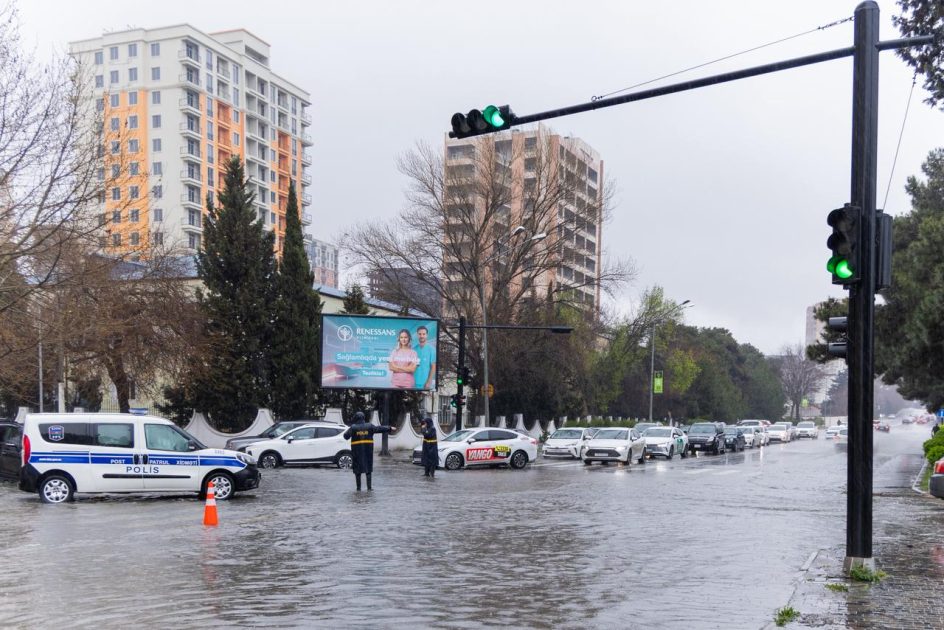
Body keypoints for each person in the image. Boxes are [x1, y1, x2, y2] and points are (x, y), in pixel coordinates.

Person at [343, 411, 393, 490]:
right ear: (363, 418)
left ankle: (358, 488)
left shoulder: (353, 427)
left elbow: (345, 436)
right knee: (368, 469)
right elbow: (379, 428)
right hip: (368, 452)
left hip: (357, 452)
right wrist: (389, 428)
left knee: (357, 470)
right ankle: (369, 488)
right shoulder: (369, 426)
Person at [413, 326, 437, 390]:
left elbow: (433, 367)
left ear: (427, 335)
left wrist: (428, 382)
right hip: (413, 383)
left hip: (425, 384)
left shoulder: (432, 349)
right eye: (420, 334)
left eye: (423, 334)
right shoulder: (413, 349)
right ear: (417, 335)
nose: (422, 336)